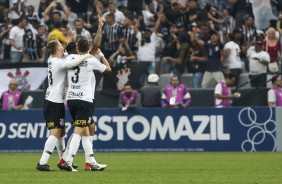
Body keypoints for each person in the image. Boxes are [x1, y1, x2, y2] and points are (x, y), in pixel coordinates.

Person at [35, 31, 92, 171]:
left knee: (61, 132)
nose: (63, 49)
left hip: (53, 99)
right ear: (58, 50)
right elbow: (71, 62)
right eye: (61, 47)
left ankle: (62, 161)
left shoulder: (51, 59)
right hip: (54, 101)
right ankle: (42, 162)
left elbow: (65, 55)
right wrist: (86, 55)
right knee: (55, 132)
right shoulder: (58, 63)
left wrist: (69, 39)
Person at [62, 37, 111, 172]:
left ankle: (91, 162)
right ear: (87, 48)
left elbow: (66, 52)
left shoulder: (69, 59)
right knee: (79, 130)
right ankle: (69, 161)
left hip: (71, 98)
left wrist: (69, 39)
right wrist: (101, 55)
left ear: (77, 48)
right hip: (84, 99)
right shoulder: (91, 60)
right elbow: (108, 69)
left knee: (85, 130)